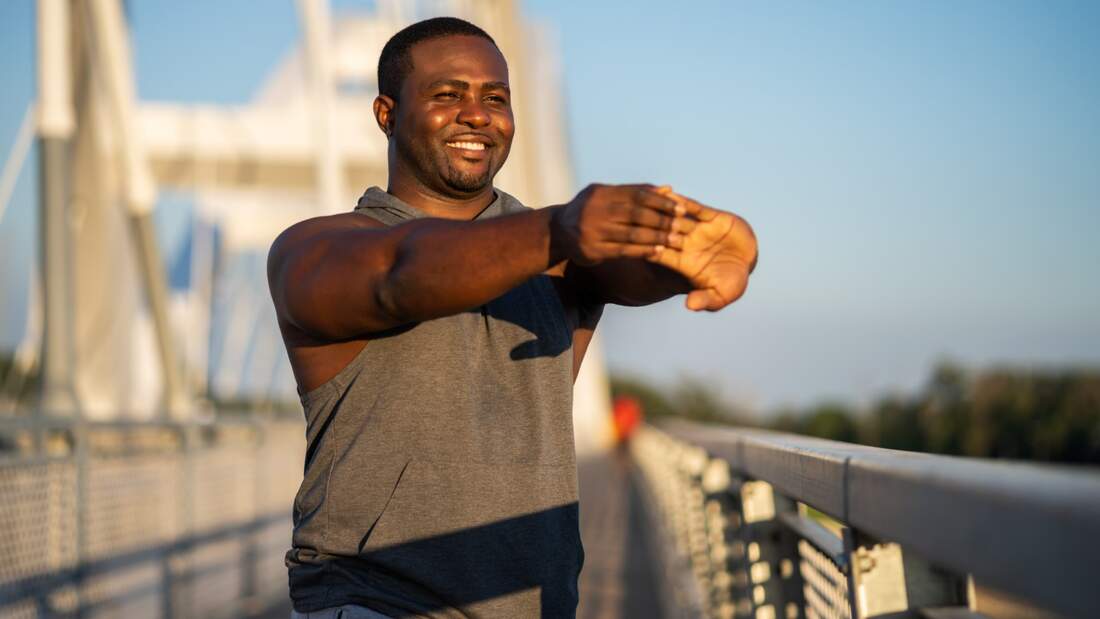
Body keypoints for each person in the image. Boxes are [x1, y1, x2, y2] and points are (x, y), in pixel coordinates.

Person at [267, 16, 757, 619]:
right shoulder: (317, 249)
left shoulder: (560, 261)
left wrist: (699, 254)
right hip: (376, 601)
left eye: (495, 98)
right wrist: (564, 228)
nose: (477, 115)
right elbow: (400, 274)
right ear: (385, 114)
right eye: (448, 95)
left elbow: (633, 270)